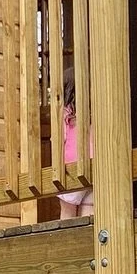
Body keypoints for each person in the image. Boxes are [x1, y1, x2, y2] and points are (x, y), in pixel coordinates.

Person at [59, 67, 94, 219]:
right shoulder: (92, 111)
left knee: (67, 214)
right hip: (92, 166)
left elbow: (61, 138)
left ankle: (66, 235)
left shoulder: (65, 112)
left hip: (71, 169)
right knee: (88, 214)